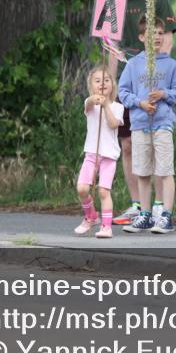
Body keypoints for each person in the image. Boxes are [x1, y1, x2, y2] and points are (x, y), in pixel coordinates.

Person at [105, 0, 176, 227]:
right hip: (129, 80)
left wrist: (161, 74)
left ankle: (160, 206)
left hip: (153, 80)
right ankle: (138, 204)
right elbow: (111, 46)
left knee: (157, 142)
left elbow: (167, 36)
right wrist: (111, 87)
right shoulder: (112, 2)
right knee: (128, 144)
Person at [117, 17, 176, 234]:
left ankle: (166, 215)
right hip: (139, 124)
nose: (156, 36)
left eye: (159, 32)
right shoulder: (133, 64)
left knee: (165, 169)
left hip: (162, 123)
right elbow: (123, 91)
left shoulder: (170, 64)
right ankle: (145, 214)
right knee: (143, 171)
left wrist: (164, 94)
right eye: (151, 33)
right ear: (141, 37)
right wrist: (140, 103)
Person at [74, 65, 124, 239]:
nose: (102, 83)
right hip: (91, 153)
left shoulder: (118, 107)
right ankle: (91, 216)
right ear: (91, 85)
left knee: (103, 191)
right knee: (81, 188)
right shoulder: (90, 103)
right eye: (97, 81)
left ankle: (106, 227)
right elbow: (87, 104)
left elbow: (112, 124)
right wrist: (94, 100)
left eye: (106, 80)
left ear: (112, 84)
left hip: (109, 155)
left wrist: (106, 106)